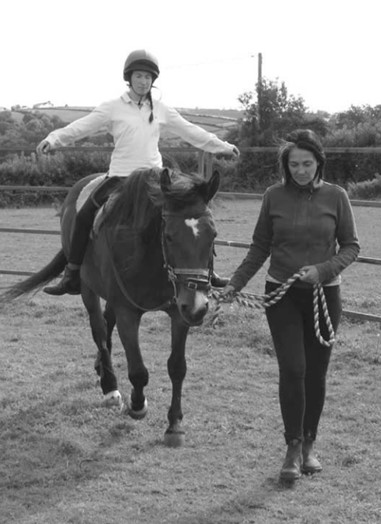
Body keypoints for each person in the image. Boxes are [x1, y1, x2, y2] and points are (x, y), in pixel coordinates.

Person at [37, 49, 240, 296]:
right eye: (139, 76)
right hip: (120, 177)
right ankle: (71, 274)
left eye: (148, 77)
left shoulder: (162, 109)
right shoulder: (112, 107)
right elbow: (82, 127)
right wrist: (54, 139)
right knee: (84, 215)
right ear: (129, 78)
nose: (144, 81)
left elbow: (190, 131)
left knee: (193, 215)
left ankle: (208, 272)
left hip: (154, 178)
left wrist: (222, 146)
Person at [221, 129, 360, 481]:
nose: (300, 170)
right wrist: (235, 284)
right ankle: (293, 448)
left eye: (306, 164)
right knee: (293, 368)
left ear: (318, 163)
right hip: (281, 293)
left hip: (324, 294)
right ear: (286, 166)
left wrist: (323, 270)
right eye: (294, 164)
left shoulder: (337, 196)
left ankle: (310, 444)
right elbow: (259, 247)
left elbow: (351, 246)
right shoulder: (274, 196)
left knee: (315, 372)